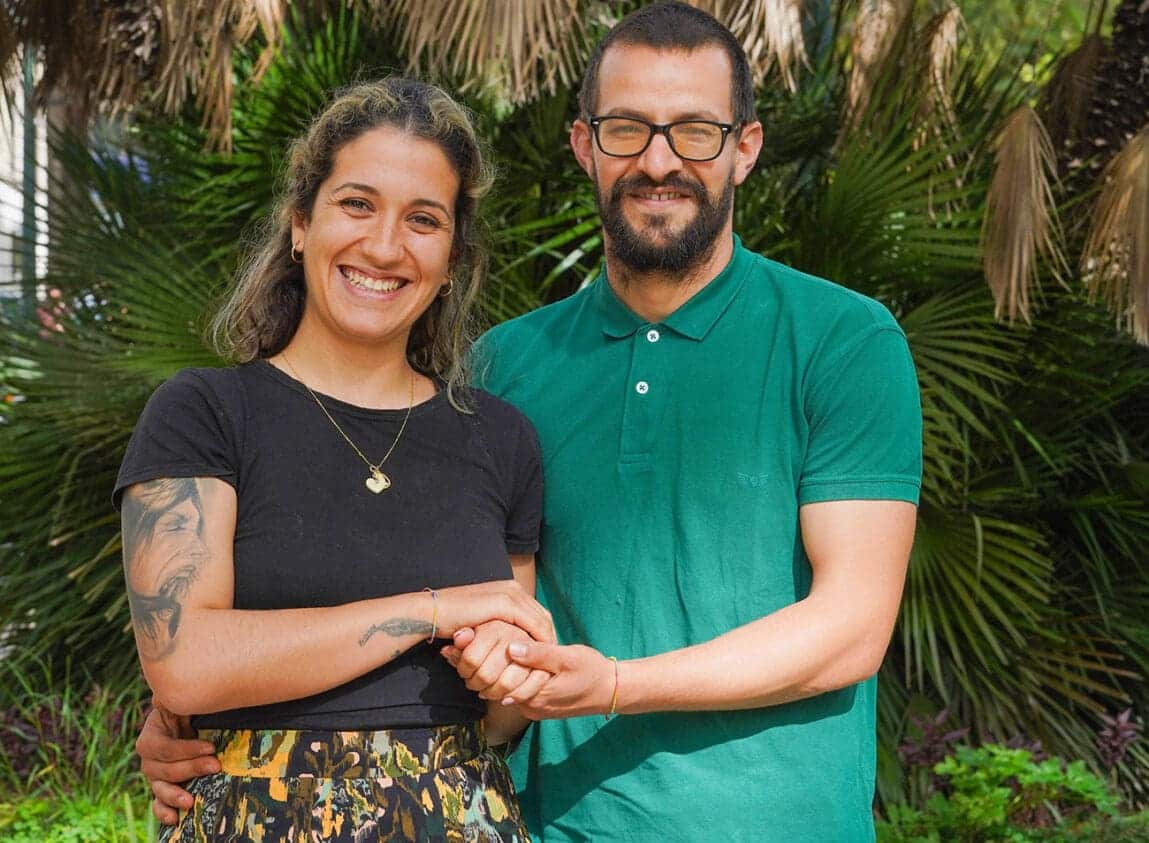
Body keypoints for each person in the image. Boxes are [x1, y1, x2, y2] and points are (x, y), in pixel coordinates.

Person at [140, 3, 922, 840]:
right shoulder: (502, 373)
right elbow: (420, 587)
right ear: (584, 144)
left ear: (745, 147)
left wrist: (615, 683)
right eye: (626, 128)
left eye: (696, 131)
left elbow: (850, 629)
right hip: (550, 823)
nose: (658, 161)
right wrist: (188, 708)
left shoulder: (841, 340)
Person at [115, 77, 556, 842]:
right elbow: (184, 662)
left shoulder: (501, 438)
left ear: (452, 258)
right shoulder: (204, 413)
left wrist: (507, 669)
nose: (383, 246)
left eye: (422, 219)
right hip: (254, 817)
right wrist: (431, 610)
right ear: (299, 223)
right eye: (357, 204)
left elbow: (500, 717)